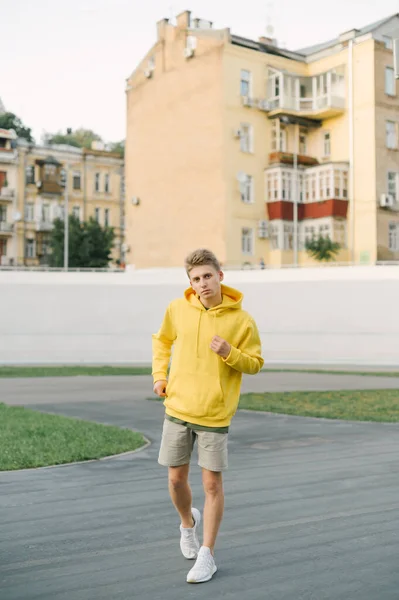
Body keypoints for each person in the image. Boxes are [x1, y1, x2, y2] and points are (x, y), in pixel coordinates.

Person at [152, 248, 264, 584]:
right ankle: (188, 524)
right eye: (196, 279)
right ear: (190, 282)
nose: (202, 284)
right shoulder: (177, 309)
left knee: (212, 484)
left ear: (220, 276)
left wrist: (229, 352)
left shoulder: (241, 320)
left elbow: (255, 364)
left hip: (215, 414)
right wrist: (160, 376)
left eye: (207, 276)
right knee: (175, 479)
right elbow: (162, 342)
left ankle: (208, 555)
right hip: (178, 407)